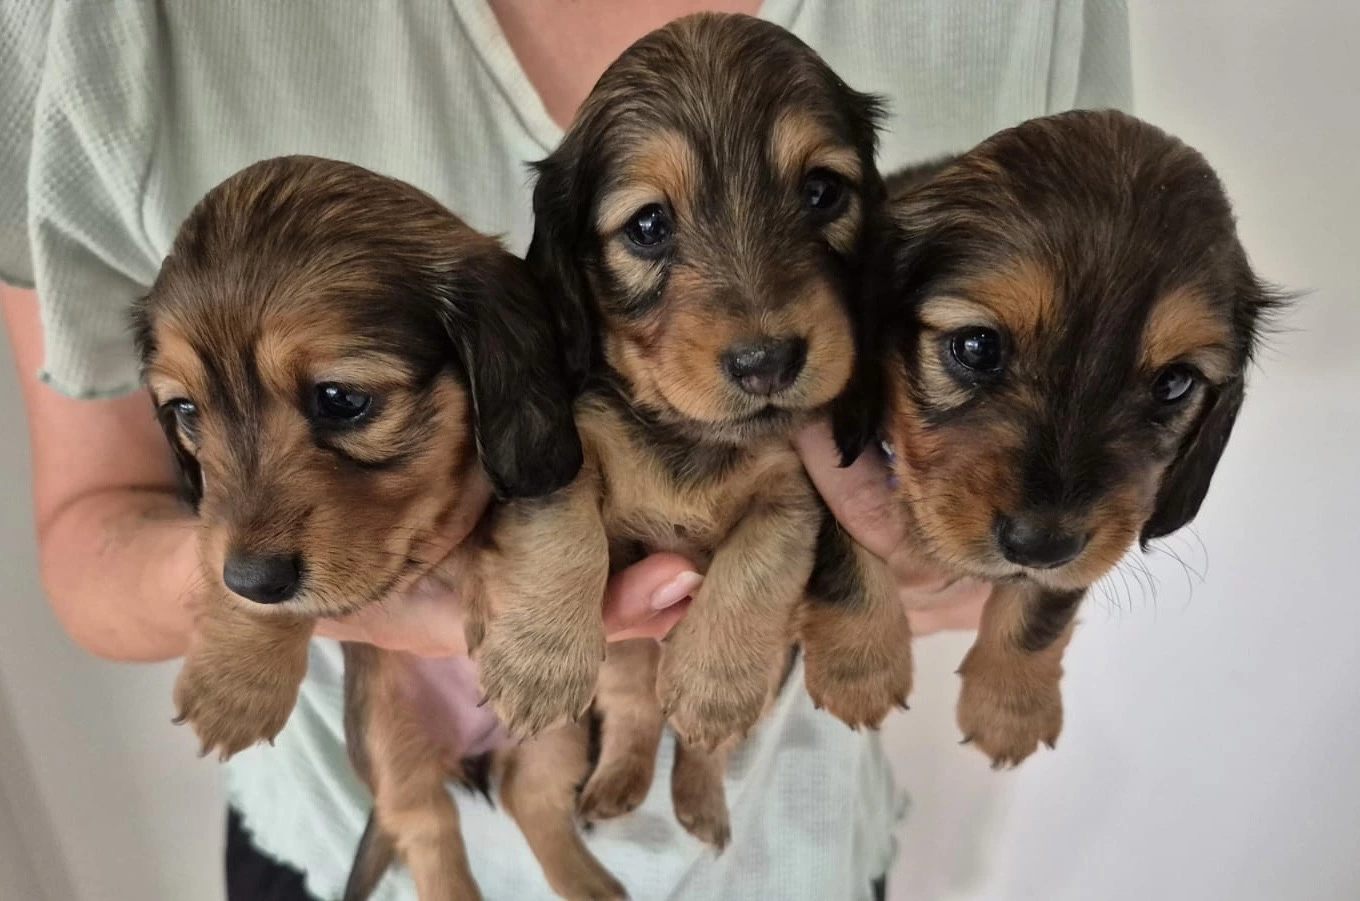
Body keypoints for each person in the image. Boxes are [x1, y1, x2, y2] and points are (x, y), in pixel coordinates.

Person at [0, 2, 1131, 899]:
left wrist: (908, 583)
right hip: (332, 810)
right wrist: (275, 612)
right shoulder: (102, 31)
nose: (755, 334)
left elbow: (1082, 410)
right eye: (649, 227)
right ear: (571, 274)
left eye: (825, 193)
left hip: (791, 839)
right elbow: (99, 527)